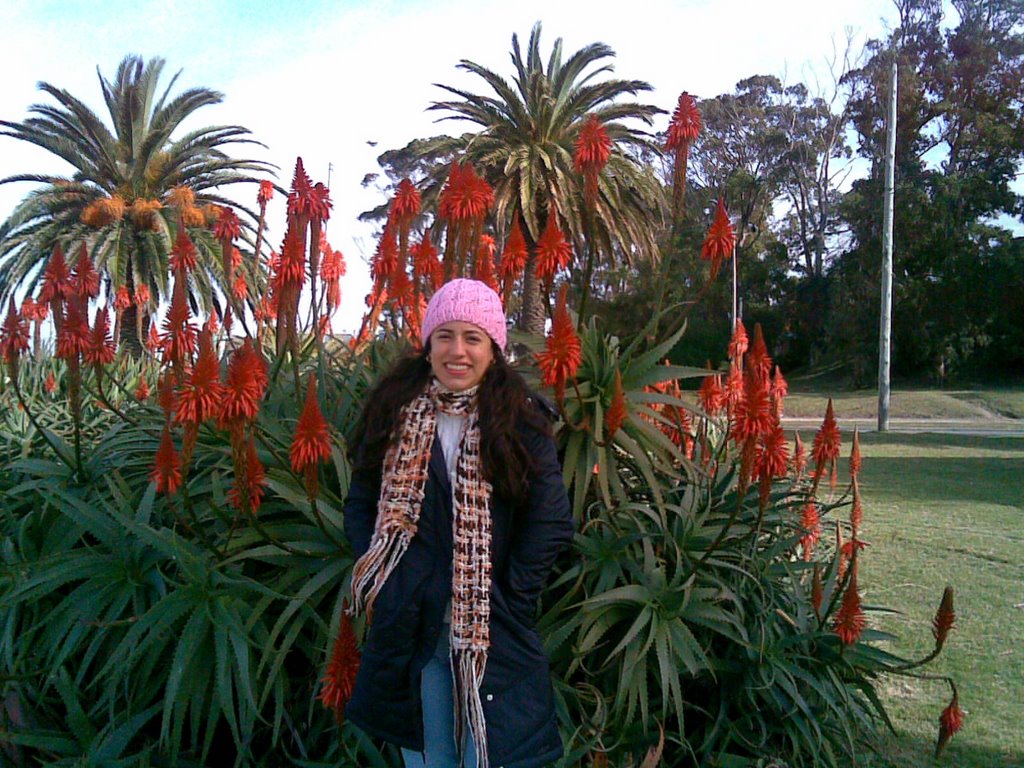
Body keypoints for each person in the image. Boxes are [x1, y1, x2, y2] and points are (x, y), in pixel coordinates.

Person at [343, 278, 574, 768]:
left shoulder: (522, 421)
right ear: (428, 347)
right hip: (414, 623)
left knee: (487, 758)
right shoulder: (393, 414)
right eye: (445, 336)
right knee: (429, 757)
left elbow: (550, 520)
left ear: (494, 349)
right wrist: (387, 579)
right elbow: (361, 501)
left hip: (491, 629)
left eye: (473, 337)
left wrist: (510, 596)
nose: (458, 351)